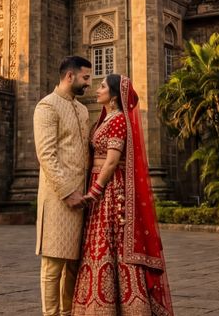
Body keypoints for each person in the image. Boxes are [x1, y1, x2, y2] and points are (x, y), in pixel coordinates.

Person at [73, 74, 174, 316]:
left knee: (111, 245)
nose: (98, 89)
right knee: (102, 245)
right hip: (101, 188)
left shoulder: (118, 120)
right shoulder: (106, 119)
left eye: (103, 86)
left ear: (115, 96)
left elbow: (111, 162)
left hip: (110, 191)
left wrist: (94, 191)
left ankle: (120, 307)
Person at [34, 55, 94, 316]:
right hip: (58, 198)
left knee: (73, 263)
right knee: (53, 264)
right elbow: (46, 154)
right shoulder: (47, 106)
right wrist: (67, 192)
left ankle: (67, 313)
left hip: (80, 199)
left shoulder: (81, 109)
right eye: (86, 77)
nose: (89, 83)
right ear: (70, 76)